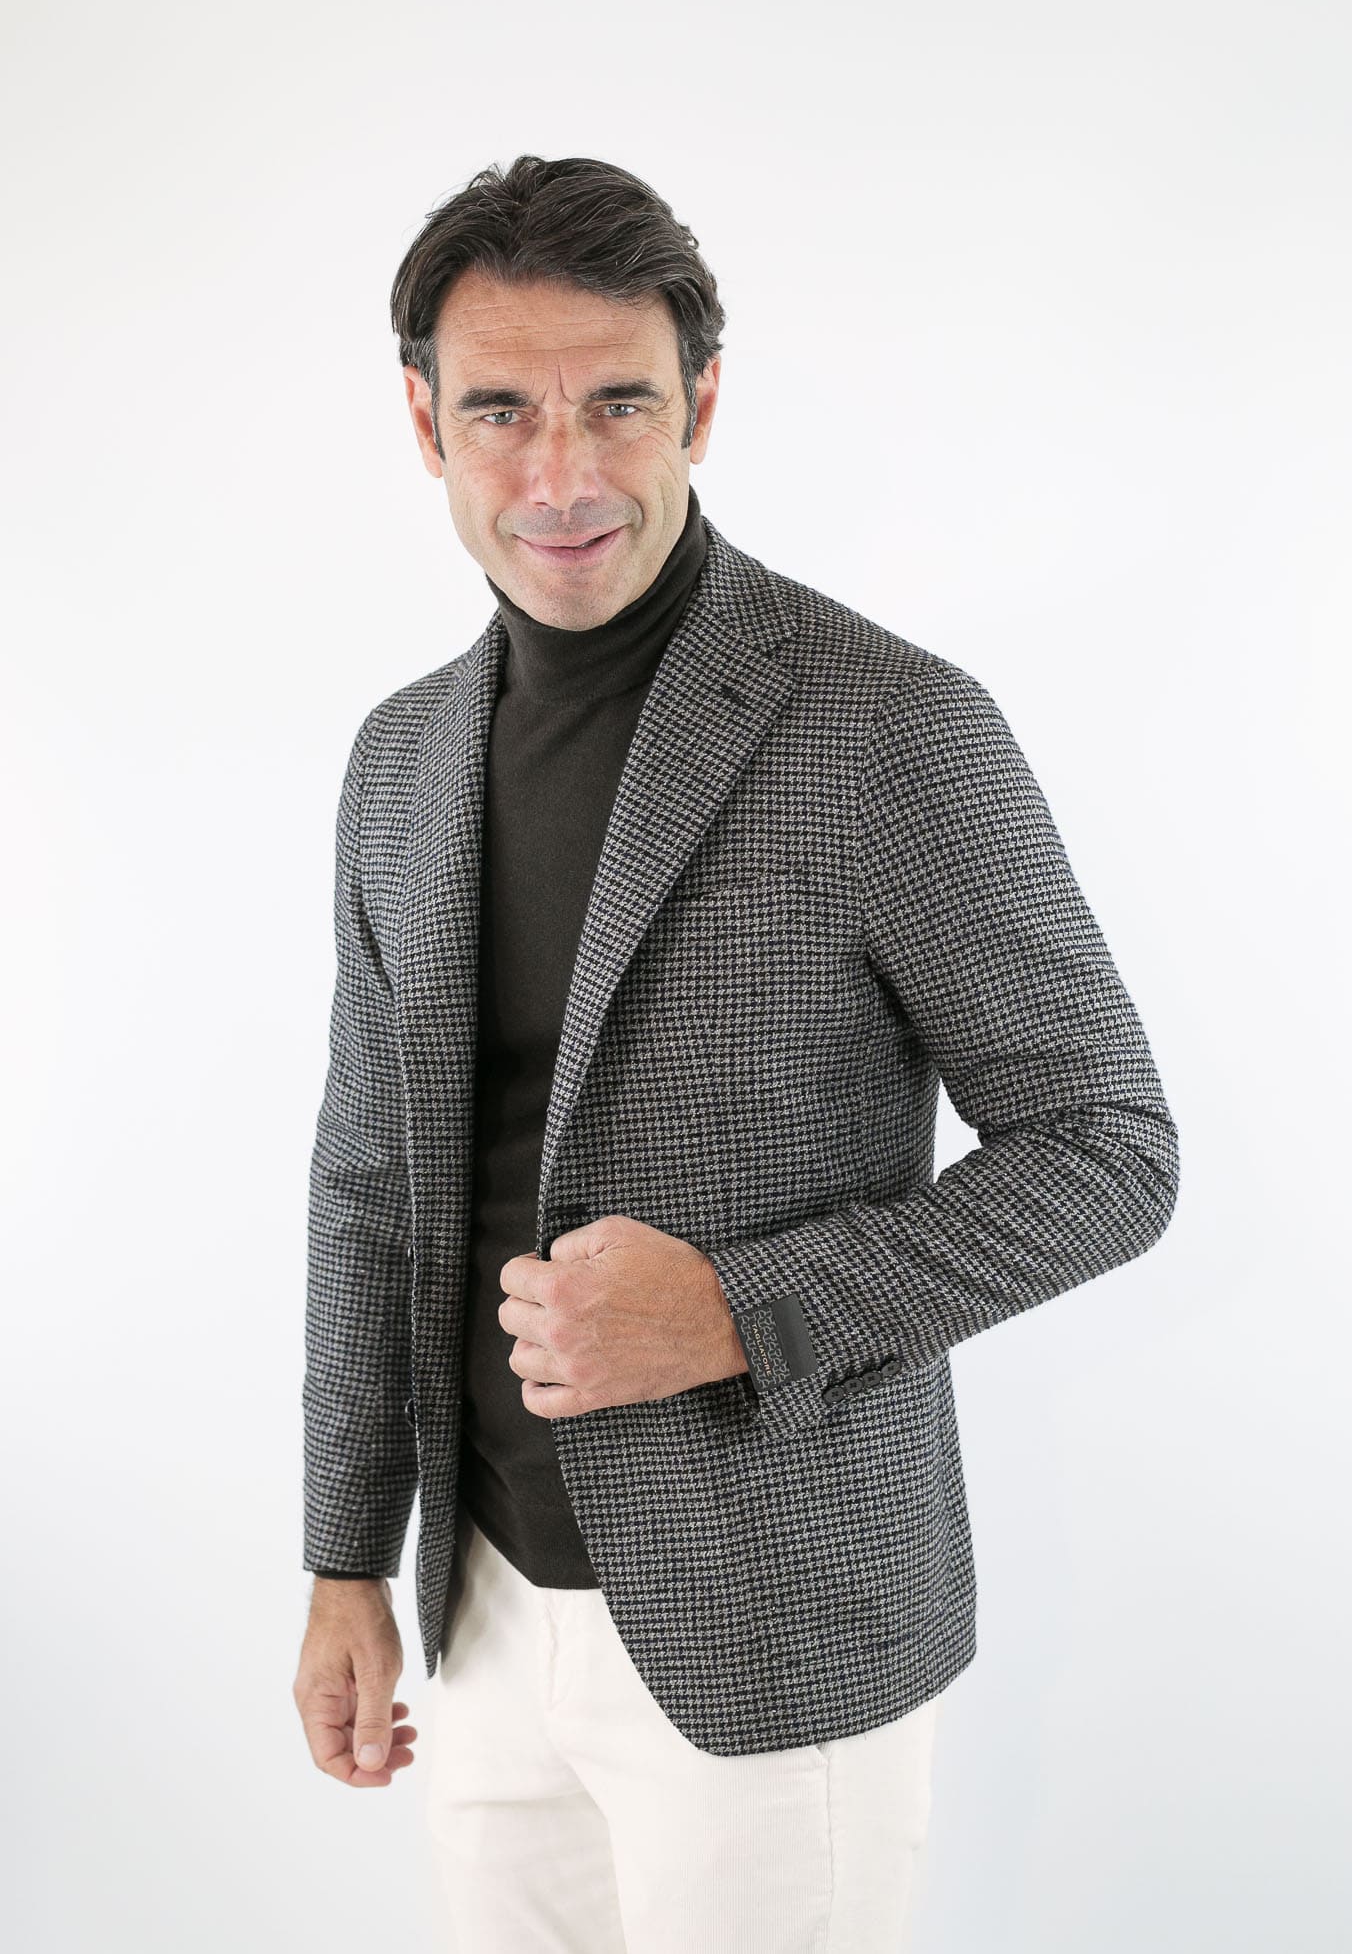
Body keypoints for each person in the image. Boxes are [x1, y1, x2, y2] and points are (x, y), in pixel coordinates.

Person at [291, 153, 1180, 1952]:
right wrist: (343, 1558)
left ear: (702, 402)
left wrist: (733, 1310)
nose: (562, 474)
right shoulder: (399, 759)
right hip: (479, 1612)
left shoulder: (888, 723)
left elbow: (1109, 1151)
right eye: (502, 411)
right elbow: (371, 1186)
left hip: (781, 1625)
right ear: (425, 425)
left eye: (619, 403)